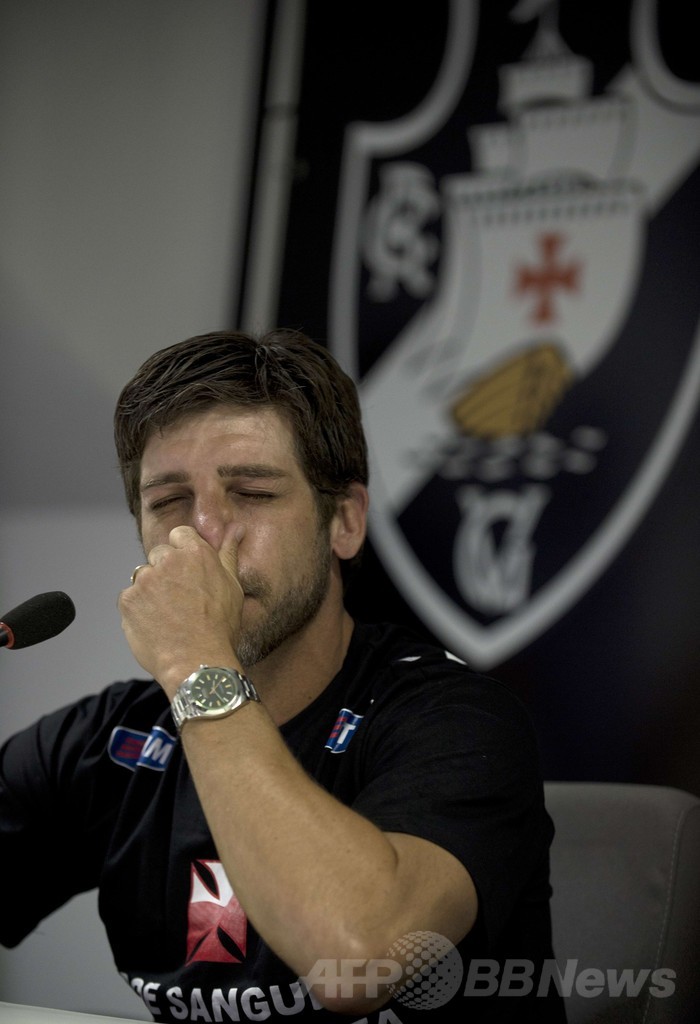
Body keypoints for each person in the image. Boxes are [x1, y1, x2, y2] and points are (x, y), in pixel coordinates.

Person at [0, 329, 565, 1022]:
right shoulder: (113, 740)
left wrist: (195, 664)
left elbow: (359, 957)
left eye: (252, 492)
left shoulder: (457, 720)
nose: (204, 531)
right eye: (168, 501)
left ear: (345, 522)